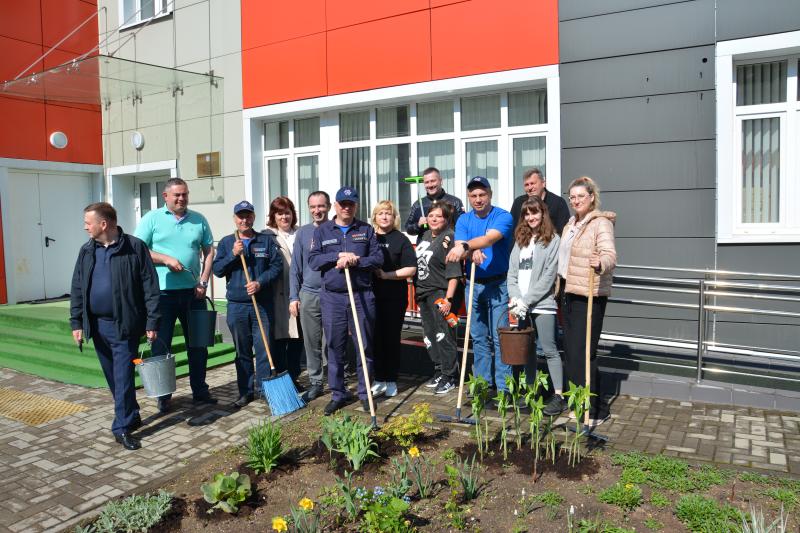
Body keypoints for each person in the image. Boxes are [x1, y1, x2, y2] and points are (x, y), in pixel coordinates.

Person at [70, 202, 159, 450]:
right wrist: (76, 321)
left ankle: (121, 428)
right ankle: (130, 414)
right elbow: (77, 287)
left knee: (123, 377)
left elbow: (150, 287)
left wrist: (152, 321)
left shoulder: (134, 247)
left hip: (125, 325)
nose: (85, 227)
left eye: (88, 223)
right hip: (97, 326)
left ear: (104, 224)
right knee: (113, 377)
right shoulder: (87, 251)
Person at [134, 177, 216, 413]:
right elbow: (139, 250)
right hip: (162, 295)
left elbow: (209, 251)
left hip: (194, 294)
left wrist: (203, 282)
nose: (182, 199)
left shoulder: (198, 220)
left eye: (185, 194)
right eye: (177, 195)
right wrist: (165, 259)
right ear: (165, 197)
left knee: (199, 344)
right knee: (161, 346)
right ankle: (164, 395)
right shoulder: (152, 218)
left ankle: (200, 390)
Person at [309, 186, 383, 415]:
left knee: (364, 346)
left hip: (361, 295)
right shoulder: (323, 231)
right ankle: (338, 394)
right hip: (333, 297)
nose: (346, 207)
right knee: (334, 347)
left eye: (351, 204)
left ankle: (364, 393)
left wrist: (356, 260)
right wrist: (337, 257)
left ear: (356, 206)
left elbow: (378, 259)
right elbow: (313, 261)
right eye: (342, 203)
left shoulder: (366, 230)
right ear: (335, 206)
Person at [446, 176, 514, 392]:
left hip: (499, 284)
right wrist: (470, 250)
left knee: (499, 337)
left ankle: (504, 390)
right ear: (469, 197)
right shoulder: (464, 220)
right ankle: (483, 385)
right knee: (478, 336)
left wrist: (469, 246)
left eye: (482, 194)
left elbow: (489, 239)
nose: (478, 199)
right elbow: (459, 249)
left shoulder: (502, 216)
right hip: (473, 285)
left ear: (490, 194)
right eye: (473, 195)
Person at [557, 176, 617, 425]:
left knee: (585, 352)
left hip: (590, 295)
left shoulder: (600, 223)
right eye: (572, 197)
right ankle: (577, 402)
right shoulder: (571, 223)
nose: (576, 201)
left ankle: (597, 408)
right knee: (571, 353)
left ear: (592, 197)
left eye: (581, 196)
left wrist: (600, 262)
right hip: (568, 293)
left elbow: (610, 254)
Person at [212, 201, 282, 408]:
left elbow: (276, 267)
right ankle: (245, 391)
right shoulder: (226, 243)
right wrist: (233, 255)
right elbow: (217, 270)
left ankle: (263, 389)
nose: (244, 220)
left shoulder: (266, 241)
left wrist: (260, 282)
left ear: (253, 217)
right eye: (240, 216)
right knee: (242, 351)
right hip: (237, 306)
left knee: (263, 349)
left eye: (248, 216)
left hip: (261, 304)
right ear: (235, 219)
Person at [507, 196, 564, 415]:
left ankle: (558, 395)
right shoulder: (521, 239)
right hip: (520, 305)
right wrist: (515, 298)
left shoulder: (552, 239)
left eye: (535, 213)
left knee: (549, 349)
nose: (531, 217)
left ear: (543, 213)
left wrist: (526, 301)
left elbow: (549, 276)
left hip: (542, 304)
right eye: (527, 214)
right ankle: (531, 391)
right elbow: (512, 272)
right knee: (528, 351)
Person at [415, 201, 463, 395]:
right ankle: (438, 370)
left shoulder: (449, 238)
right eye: (431, 215)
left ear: (447, 219)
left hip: (441, 292)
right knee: (430, 336)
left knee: (444, 335)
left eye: (439, 216)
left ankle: (450, 375)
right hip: (423, 293)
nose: (434, 219)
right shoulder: (425, 236)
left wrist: (449, 299)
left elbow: (454, 273)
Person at [370, 200, 417, 398]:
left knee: (390, 339)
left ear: (394, 217)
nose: (384, 217)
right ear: (375, 217)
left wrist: (387, 275)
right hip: (370, 297)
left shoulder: (401, 239)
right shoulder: (367, 237)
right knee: (374, 339)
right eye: (381, 213)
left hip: (393, 298)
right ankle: (378, 378)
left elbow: (411, 268)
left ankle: (390, 379)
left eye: (388, 213)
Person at [290, 191, 331, 402]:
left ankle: (336, 378)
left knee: (334, 340)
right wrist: (293, 297)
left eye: (321, 206)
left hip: (333, 294)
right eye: (313, 207)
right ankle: (316, 382)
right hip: (309, 294)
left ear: (329, 207)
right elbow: (295, 267)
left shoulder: (336, 230)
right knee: (311, 342)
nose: (317, 211)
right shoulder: (303, 233)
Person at [263, 196, 303, 386]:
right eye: (279, 213)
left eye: (287, 212)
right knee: (280, 339)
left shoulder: (301, 233)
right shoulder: (266, 236)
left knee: (298, 340)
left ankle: (294, 377)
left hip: (301, 292)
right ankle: (282, 379)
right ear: (273, 216)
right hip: (278, 294)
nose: (284, 217)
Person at [404, 167, 465, 243]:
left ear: (441, 181)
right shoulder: (418, 205)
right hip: (424, 250)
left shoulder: (455, 202)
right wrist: (418, 225)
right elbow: (408, 229)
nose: (430, 185)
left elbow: (463, 228)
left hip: (447, 248)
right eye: (427, 182)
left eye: (433, 181)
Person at [509, 168, 570, 234]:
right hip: (523, 242)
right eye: (526, 185)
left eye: (532, 183)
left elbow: (564, 231)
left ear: (543, 183)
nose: (529, 188)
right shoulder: (518, 203)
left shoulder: (558, 203)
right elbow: (512, 230)